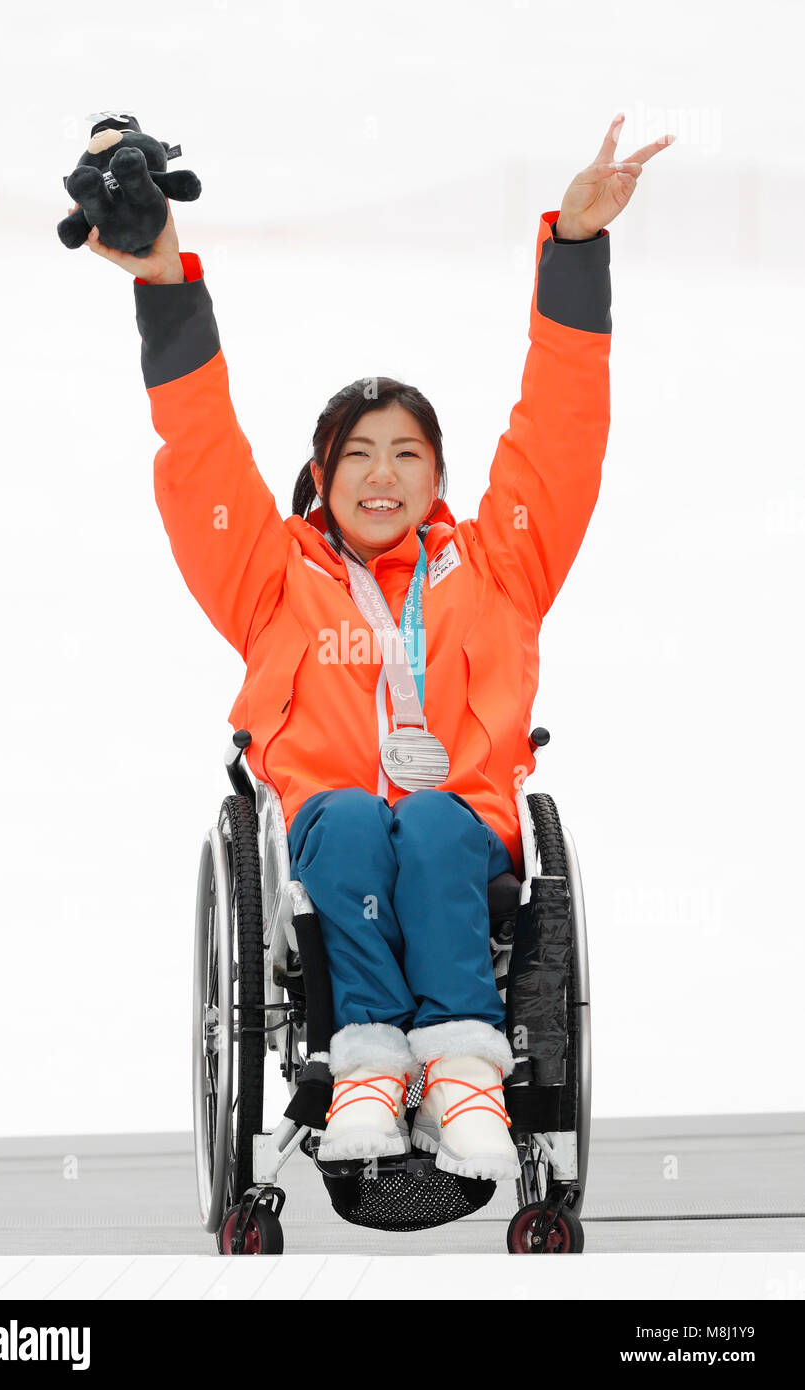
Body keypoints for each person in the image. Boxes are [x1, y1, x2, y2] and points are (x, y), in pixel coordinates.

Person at [77, 112, 673, 1183]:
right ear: (321, 475)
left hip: (460, 830)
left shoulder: (497, 569)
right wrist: (164, 286)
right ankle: (364, 1068)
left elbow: (559, 431)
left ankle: (459, 1074)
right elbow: (202, 452)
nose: (382, 474)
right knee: (351, 817)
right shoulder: (272, 579)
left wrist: (575, 253)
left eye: (407, 453)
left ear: (439, 479)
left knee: (439, 823)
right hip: (330, 838)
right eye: (356, 455)